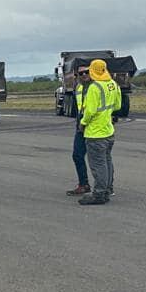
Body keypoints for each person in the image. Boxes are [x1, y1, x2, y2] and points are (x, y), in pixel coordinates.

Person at [78, 58, 121, 206]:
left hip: (95, 133)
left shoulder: (94, 87)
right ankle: (108, 188)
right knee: (107, 161)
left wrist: (82, 123)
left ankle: (100, 193)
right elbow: (117, 105)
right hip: (108, 131)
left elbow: (89, 111)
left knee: (98, 164)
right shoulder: (113, 84)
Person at [67, 66, 91, 197]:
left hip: (93, 127)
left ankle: (106, 186)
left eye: (87, 72)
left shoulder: (96, 87)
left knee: (99, 159)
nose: (84, 75)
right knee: (77, 155)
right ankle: (84, 184)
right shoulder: (79, 88)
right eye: (81, 73)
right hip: (81, 126)